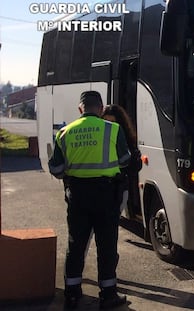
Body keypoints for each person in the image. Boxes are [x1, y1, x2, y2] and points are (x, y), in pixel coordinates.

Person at [48, 91, 130, 309]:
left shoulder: (64, 132)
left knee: (76, 244)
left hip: (78, 196)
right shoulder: (113, 129)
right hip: (106, 195)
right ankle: (108, 294)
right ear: (101, 108)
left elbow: (56, 169)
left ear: (80, 109)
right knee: (107, 246)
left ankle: (72, 293)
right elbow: (125, 160)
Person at [102, 104, 142, 218]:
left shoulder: (127, 141)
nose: (109, 127)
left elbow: (135, 166)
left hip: (117, 189)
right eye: (105, 122)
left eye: (113, 123)